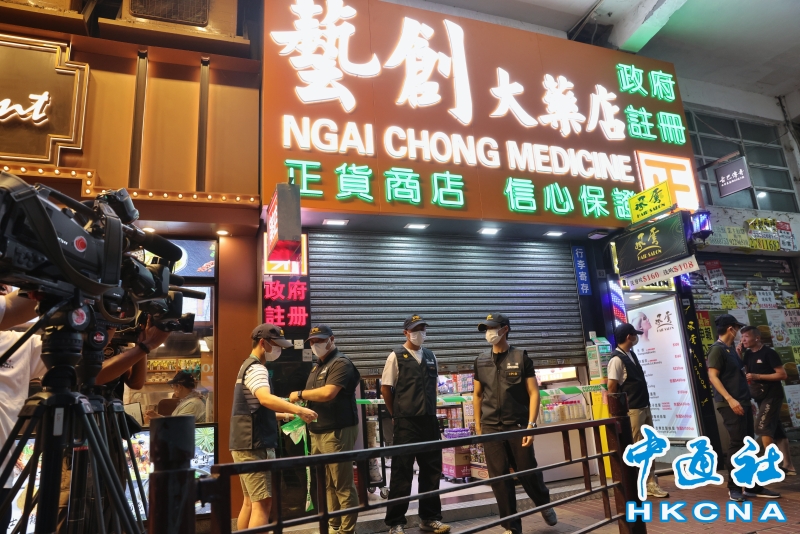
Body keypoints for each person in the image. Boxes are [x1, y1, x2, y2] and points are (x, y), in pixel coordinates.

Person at [473, 313, 557, 534]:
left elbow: (534, 392)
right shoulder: (480, 360)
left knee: (527, 471)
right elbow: (477, 395)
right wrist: (479, 427)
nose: (489, 333)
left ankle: (543, 503)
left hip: (517, 425)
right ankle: (511, 527)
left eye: (492, 328)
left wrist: (531, 425)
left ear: (505, 329)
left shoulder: (521, 357)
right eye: (486, 329)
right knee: (499, 478)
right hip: (491, 427)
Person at [230, 323, 318, 531]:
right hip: (255, 444)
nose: (279, 350)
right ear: (263, 343)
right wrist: (299, 410)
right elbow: (265, 399)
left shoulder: (246, 366)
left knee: (250, 502)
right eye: (276, 345)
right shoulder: (257, 369)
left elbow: (256, 408)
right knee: (262, 504)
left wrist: (286, 414)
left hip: (243, 443)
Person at [380, 315, 450, 534]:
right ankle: (396, 523)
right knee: (401, 473)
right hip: (406, 424)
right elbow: (386, 388)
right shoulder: (395, 356)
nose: (420, 333)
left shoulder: (430, 356)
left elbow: (433, 387)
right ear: (406, 333)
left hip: (429, 421)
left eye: (422, 329)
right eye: (415, 330)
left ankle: (429, 518)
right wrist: (396, 414)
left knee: (431, 472)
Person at [289, 325, 361, 534]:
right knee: (328, 484)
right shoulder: (317, 367)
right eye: (312, 342)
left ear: (332, 339)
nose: (315, 345)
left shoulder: (341, 363)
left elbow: (328, 393)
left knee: (343, 484)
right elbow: (315, 397)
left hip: (336, 431)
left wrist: (300, 394)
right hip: (318, 431)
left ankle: (347, 530)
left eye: (319, 340)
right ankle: (334, 525)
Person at [706, 314, 780, 501]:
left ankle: (752, 485)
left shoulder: (731, 349)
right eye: (738, 328)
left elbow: (737, 376)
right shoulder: (717, 350)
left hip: (743, 401)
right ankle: (734, 487)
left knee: (748, 444)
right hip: (730, 404)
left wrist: (747, 401)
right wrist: (730, 399)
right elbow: (713, 376)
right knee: (737, 444)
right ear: (730, 329)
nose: (739, 332)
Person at [607, 322, 669, 498]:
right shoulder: (617, 359)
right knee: (639, 447)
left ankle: (651, 482)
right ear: (629, 337)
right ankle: (640, 484)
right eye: (635, 334)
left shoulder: (630, 354)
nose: (637, 337)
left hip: (643, 407)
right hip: (633, 410)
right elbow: (611, 387)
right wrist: (616, 411)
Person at [740, 325, 796, 475]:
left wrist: (758, 376)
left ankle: (770, 466)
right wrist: (739, 354)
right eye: (742, 337)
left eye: (746, 336)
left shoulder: (769, 353)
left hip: (772, 395)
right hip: (760, 396)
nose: (743, 340)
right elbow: (745, 372)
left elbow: (782, 375)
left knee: (762, 427)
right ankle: (788, 466)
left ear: (757, 338)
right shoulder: (747, 354)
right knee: (776, 429)